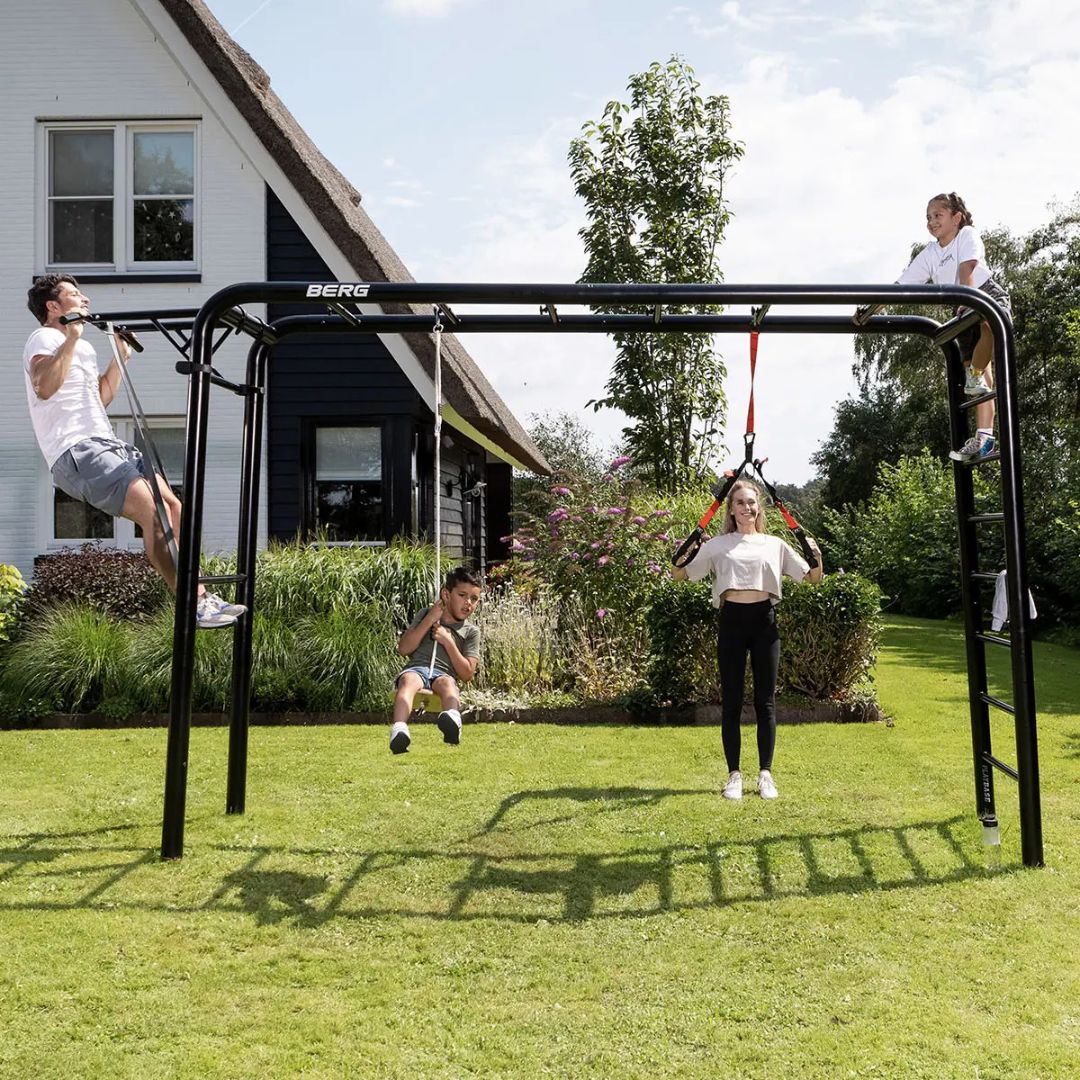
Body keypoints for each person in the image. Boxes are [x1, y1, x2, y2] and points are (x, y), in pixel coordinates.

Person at [24, 273, 243, 628]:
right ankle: (195, 603)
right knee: (155, 514)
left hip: (107, 443)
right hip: (78, 451)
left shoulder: (82, 347)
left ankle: (199, 595)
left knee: (174, 508)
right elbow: (44, 386)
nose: (85, 300)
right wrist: (72, 337)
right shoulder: (44, 337)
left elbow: (100, 397)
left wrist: (121, 357)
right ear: (53, 306)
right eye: (75, 295)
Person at [672, 480, 823, 800]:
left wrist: (817, 556)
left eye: (752, 502)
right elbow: (680, 574)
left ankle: (765, 775)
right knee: (731, 702)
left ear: (759, 507)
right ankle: (734, 776)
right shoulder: (718, 544)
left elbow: (812, 578)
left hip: (764, 623)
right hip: (731, 623)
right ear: (730, 509)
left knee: (765, 703)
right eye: (740, 502)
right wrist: (683, 555)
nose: (747, 508)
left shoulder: (775, 544)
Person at [896, 191, 1012, 464]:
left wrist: (969, 300)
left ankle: (974, 377)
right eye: (928, 217)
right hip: (963, 304)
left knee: (989, 325)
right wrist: (870, 307)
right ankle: (984, 437)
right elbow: (901, 286)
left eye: (938, 215)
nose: (931, 221)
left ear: (956, 217)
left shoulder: (966, 235)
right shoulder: (931, 253)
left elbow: (967, 269)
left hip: (983, 295)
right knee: (981, 376)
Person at [389, 566, 482, 754]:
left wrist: (448, 642)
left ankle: (453, 722)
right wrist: (430, 618)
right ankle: (399, 730)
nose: (468, 603)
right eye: (462, 595)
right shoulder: (426, 614)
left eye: (474, 599)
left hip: (444, 674)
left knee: (448, 684)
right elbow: (404, 648)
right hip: (417, 668)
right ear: (446, 595)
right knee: (408, 680)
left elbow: (467, 674)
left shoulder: (471, 632)